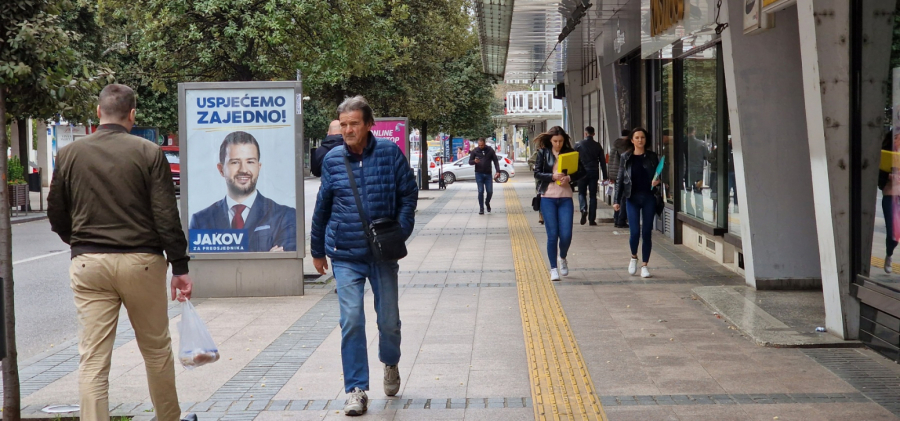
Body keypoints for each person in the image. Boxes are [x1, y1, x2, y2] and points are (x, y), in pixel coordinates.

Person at [47, 84, 194, 421]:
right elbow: (165, 215)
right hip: (142, 262)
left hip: (89, 263)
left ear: (98, 112)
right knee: (156, 350)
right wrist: (179, 265)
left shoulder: (69, 154)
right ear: (132, 115)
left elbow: (56, 211)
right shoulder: (148, 152)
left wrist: (80, 242)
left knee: (93, 358)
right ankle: (168, 417)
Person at [311, 95, 418, 416]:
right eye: (343, 124)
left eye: (354, 124)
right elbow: (322, 207)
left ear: (369, 124)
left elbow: (408, 193)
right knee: (351, 320)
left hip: (383, 252)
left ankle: (391, 362)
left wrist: (400, 231)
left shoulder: (389, 153)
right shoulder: (333, 160)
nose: (348, 130)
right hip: (345, 253)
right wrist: (317, 250)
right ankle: (356, 389)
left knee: (388, 321)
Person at [189, 131, 297, 252]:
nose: (243, 170)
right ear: (221, 169)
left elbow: (284, 260)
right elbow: (200, 262)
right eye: (235, 162)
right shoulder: (201, 220)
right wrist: (266, 257)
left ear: (258, 167)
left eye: (250, 162)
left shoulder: (285, 216)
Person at [534, 126, 583, 281]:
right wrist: (552, 176)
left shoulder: (570, 153)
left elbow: (582, 171)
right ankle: (553, 268)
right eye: (555, 141)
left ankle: (562, 257)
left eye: (561, 141)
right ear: (550, 140)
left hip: (565, 197)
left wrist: (569, 178)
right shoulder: (543, 153)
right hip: (548, 197)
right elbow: (537, 173)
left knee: (566, 234)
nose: (558, 144)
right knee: (552, 235)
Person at [614, 128, 661, 278]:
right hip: (632, 198)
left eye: (642, 137)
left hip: (649, 197)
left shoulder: (652, 156)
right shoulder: (626, 157)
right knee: (634, 232)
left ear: (646, 140)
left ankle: (645, 265)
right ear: (632, 140)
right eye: (637, 137)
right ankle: (634, 256)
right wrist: (616, 200)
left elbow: (660, 175)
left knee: (646, 232)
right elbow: (620, 179)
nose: (640, 140)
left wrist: (658, 181)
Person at [574, 126, 608, 225]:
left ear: (585, 134)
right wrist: (605, 176)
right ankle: (592, 219)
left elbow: (573, 160)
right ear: (594, 134)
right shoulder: (598, 145)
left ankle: (583, 209)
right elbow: (602, 162)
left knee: (581, 193)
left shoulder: (578, 144)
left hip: (581, 173)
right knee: (593, 196)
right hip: (594, 172)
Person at [880, 130, 900, 273]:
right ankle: (889, 254)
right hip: (890, 195)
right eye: (896, 137)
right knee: (892, 234)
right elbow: (878, 178)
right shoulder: (885, 154)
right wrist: (888, 176)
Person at [469, 137, 501, 214]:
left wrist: (498, 171)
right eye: (479, 145)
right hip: (479, 174)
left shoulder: (490, 150)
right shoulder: (475, 151)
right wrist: (474, 161)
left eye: (482, 145)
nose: (480, 146)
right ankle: (481, 208)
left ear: (485, 143)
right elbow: (470, 162)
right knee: (480, 191)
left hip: (488, 174)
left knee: (490, 191)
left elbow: (495, 161)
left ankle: (487, 202)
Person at [608, 129, 633, 228]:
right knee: (623, 198)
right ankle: (620, 220)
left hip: (615, 174)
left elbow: (611, 161)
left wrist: (610, 175)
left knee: (618, 197)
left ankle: (616, 218)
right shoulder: (624, 145)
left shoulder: (615, 144)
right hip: (622, 175)